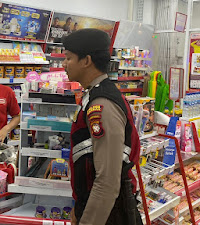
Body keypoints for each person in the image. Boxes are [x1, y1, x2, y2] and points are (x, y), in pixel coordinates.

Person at [61, 29, 142, 225]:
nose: (63, 64)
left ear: (86, 60)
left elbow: (106, 182)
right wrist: (79, 208)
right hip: (99, 207)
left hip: (111, 215)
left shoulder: (103, 105)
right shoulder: (94, 94)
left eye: (68, 58)